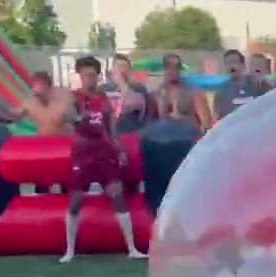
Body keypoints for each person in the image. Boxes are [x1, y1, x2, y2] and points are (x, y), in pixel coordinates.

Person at [63, 55, 144, 263]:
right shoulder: (74, 98)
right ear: (80, 76)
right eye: (86, 75)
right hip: (82, 155)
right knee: (75, 200)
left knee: (117, 195)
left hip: (103, 153)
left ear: (98, 76)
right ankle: (70, 250)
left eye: (93, 75)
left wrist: (121, 150)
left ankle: (132, 248)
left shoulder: (105, 101)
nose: (90, 79)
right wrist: (79, 117)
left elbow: (113, 130)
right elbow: (71, 116)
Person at [157, 52, 212, 131]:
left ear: (180, 69)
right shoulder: (157, 94)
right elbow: (151, 122)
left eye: (177, 66)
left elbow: (207, 123)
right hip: (165, 138)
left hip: (188, 137)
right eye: (168, 66)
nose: (173, 70)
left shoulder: (194, 93)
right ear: (164, 68)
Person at [101, 54, 150, 135]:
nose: (123, 70)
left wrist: (123, 85)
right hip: (109, 133)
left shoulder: (138, 89)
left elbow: (126, 107)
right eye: (120, 66)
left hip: (133, 132)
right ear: (113, 69)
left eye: (125, 67)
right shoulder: (104, 89)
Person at [214, 49, 268, 122]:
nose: (230, 66)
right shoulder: (220, 90)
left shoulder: (258, 85)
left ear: (243, 65)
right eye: (227, 63)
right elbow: (216, 117)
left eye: (234, 62)